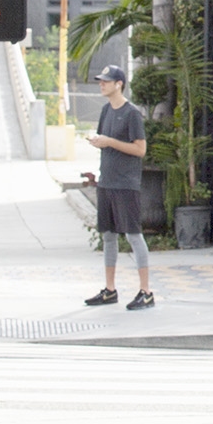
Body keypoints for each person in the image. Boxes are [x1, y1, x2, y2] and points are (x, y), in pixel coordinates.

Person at [83, 65, 154, 310]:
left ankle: (146, 292)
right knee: (109, 236)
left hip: (126, 184)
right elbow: (107, 142)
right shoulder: (106, 111)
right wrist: (99, 143)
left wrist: (109, 142)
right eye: (101, 81)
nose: (102, 84)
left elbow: (140, 149)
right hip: (107, 182)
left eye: (106, 81)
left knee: (134, 235)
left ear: (119, 84)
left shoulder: (132, 113)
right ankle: (110, 290)